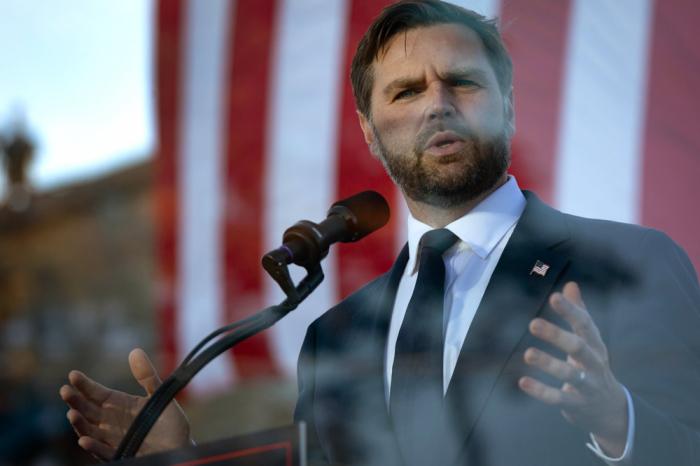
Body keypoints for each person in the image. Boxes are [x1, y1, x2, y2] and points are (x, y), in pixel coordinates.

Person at [60, 1, 700, 465]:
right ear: (369, 132)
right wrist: (191, 459)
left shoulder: (632, 262)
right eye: (405, 92)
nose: (436, 103)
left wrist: (618, 420)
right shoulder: (332, 338)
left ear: (507, 104)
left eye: (462, 81)